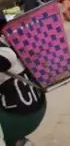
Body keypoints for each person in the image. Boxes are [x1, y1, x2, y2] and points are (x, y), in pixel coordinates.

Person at [0, 13, 47, 146]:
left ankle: (16, 141)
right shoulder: (10, 38)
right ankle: (19, 141)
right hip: (38, 105)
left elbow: (8, 58)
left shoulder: (4, 52)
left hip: (20, 115)